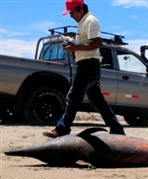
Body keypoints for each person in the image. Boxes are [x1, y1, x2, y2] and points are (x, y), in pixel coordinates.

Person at [43, 0, 124, 138]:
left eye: (72, 12)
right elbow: (86, 43)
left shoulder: (90, 21)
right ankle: (117, 129)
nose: (71, 16)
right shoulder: (82, 23)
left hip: (88, 65)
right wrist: (72, 44)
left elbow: (97, 43)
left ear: (80, 8)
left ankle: (62, 129)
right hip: (88, 65)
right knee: (97, 100)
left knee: (73, 96)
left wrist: (75, 48)